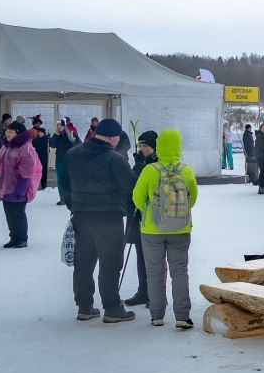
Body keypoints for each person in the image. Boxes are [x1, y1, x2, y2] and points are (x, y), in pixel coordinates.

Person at [60, 118, 137, 323]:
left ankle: (84, 306)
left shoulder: (73, 153)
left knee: (83, 262)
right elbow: (130, 187)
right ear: (113, 137)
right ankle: (112, 308)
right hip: (108, 216)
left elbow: (64, 183)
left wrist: (72, 202)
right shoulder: (115, 159)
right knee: (110, 262)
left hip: (81, 215)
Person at [133, 129, 199, 328]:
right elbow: (193, 198)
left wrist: (149, 211)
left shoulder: (150, 170)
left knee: (154, 272)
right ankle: (182, 316)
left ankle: (157, 315)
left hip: (152, 230)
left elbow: (137, 197)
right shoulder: (185, 170)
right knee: (179, 271)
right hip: (180, 229)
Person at [0, 121, 42, 249]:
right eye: (7, 131)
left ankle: (22, 238)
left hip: (18, 188)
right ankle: (13, 237)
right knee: (9, 214)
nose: (8, 134)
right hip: (7, 186)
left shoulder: (25, 148)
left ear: (18, 133)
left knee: (18, 213)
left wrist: (20, 191)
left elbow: (27, 171)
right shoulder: (7, 146)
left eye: (11, 132)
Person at [123, 130, 159, 308]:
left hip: (153, 218)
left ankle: (155, 293)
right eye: (140, 146)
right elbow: (131, 185)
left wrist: (139, 166)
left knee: (154, 258)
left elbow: (142, 185)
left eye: (146, 146)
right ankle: (143, 291)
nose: (142, 149)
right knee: (141, 255)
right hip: (138, 216)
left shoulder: (156, 164)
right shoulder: (142, 162)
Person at [49, 119, 80, 205]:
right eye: (57, 125)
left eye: (60, 124)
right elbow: (52, 145)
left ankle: (72, 196)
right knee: (60, 179)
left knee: (70, 178)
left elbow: (78, 143)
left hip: (70, 160)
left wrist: (72, 139)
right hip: (59, 159)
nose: (59, 126)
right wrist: (55, 135)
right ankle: (62, 197)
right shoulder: (57, 135)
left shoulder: (71, 133)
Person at [30, 116, 50, 190]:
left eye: (39, 123)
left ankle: (44, 183)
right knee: (36, 170)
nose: (38, 124)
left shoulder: (46, 139)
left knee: (44, 170)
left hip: (44, 156)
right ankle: (36, 183)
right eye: (37, 123)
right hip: (36, 156)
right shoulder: (32, 133)